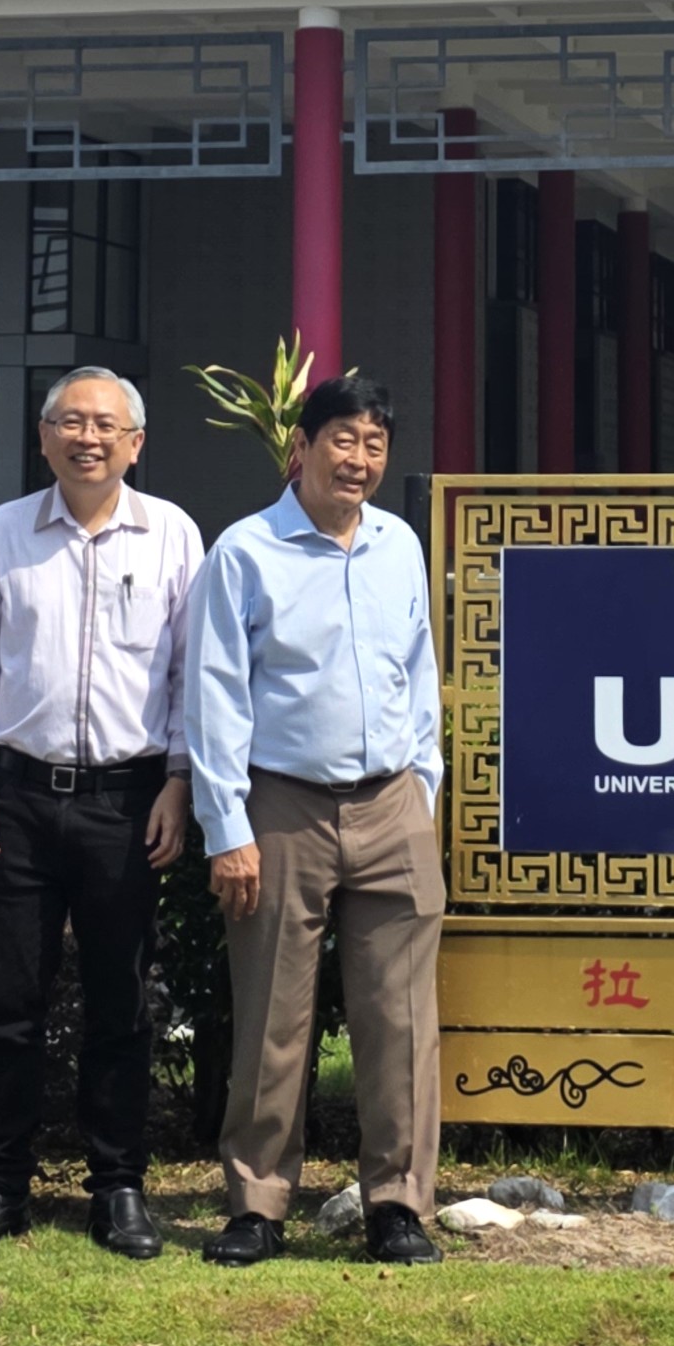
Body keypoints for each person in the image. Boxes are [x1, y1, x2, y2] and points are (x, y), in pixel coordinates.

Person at [0, 366, 204, 1259]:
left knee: (121, 1006)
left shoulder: (171, 534)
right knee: (7, 1003)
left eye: (107, 425)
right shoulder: (6, 532)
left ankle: (118, 1187)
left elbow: (189, 677)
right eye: (70, 423)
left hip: (129, 804)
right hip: (16, 800)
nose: (88, 438)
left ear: (136, 442)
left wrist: (177, 782)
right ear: (44, 437)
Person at [182, 374, 448, 1269]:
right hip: (282, 804)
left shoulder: (400, 546)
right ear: (301, 446)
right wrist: (226, 825)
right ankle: (257, 1205)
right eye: (343, 439)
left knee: (401, 1017)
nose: (359, 460)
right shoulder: (245, 553)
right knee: (271, 1017)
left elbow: (420, 671)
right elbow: (213, 692)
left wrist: (425, 788)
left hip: (391, 804)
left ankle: (397, 1205)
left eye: (375, 443)